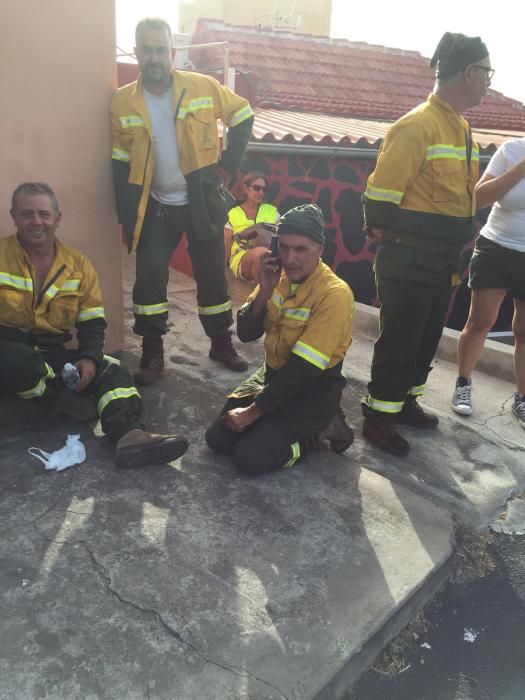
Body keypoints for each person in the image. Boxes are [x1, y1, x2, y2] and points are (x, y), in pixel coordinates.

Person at [361, 32, 492, 457]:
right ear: (469, 72)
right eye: (487, 72)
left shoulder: (462, 127)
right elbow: (379, 197)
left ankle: (405, 402)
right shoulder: (417, 125)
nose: (489, 81)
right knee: (399, 339)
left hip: (442, 261)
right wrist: (390, 243)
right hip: (408, 259)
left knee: (426, 337)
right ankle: (378, 416)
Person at [0, 182, 189, 468]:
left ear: (57, 219)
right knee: (14, 358)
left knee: (112, 369)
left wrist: (89, 357)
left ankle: (129, 435)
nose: (36, 222)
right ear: (14, 216)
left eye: (43, 214)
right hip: (8, 351)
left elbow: (91, 319)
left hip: (51, 353)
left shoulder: (78, 265)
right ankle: (62, 401)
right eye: (27, 214)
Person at [111, 17, 255, 385]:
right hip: (155, 204)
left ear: (172, 53)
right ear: (137, 52)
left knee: (211, 275)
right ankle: (153, 352)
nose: (154, 57)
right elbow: (119, 161)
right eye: (147, 50)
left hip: (200, 199)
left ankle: (221, 343)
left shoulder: (201, 86)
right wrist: (126, 213)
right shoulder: (122, 101)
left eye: (161, 50)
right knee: (149, 277)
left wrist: (228, 166)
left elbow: (243, 114)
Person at [205, 204, 355, 476]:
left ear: (320, 249)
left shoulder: (334, 294)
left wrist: (252, 413)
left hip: (311, 390)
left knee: (250, 458)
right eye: (284, 247)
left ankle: (320, 430)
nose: (290, 258)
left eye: (301, 249)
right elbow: (247, 334)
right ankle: (275, 424)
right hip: (273, 376)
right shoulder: (278, 277)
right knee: (218, 440)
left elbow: (303, 370)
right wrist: (264, 290)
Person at [451, 138, 525, 428]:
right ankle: (463, 382)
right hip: (497, 247)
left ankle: (522, 398)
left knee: (524, 331)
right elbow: (479, 197)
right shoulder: (511, 150)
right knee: (481, 322)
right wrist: (520, 169)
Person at [226, 172, 279, 283]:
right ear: (245, 189)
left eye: (263, 189)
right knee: (263, 255)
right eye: (256, 188)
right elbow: (226, 245)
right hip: (242, 257)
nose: (260, 192)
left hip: (269, 255)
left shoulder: (271, 211)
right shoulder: (232, 213)